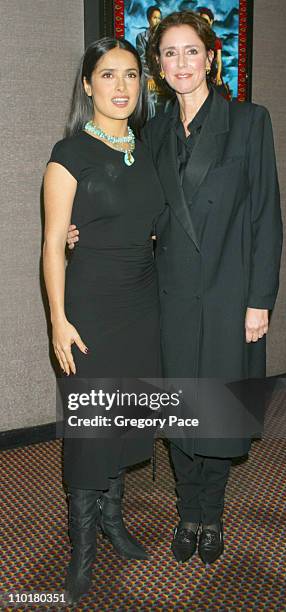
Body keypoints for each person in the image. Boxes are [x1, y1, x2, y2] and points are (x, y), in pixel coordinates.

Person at [67, 11, 283, 567]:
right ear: (158, 66)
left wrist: (259, 301)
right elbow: (136, 206)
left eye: (192, 51)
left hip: (229, 293)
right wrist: (80, 225)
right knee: (183, 413)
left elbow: (266, 217)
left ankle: (211, 516)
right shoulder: (153, 132)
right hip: (168, 296)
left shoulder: (250, 121)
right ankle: (188, 512)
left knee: (218, 412)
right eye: (169, 53)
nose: (181, 63)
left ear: (213, 57)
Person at [43, 37, 164, 604]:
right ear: (88, 84)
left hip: (143, 307)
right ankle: (83, 552)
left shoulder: (149, 148)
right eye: (108, 75)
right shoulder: (69, 154)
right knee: (91, 431)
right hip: (90, 309)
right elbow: (50, 246)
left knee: (125, 419)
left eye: (132, 76)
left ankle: (114, 522)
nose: (122, 87)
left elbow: (154, 224)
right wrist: (57, 321)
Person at [136, 5, 164, 118]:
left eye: (159, 18)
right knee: (150, 106)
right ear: (148, 19)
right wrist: (151, 77)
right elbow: (142, 60)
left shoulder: (164, 38)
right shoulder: (141, 37)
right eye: (154, 18)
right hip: (150, 79)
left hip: (164, 79)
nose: (157, 21)